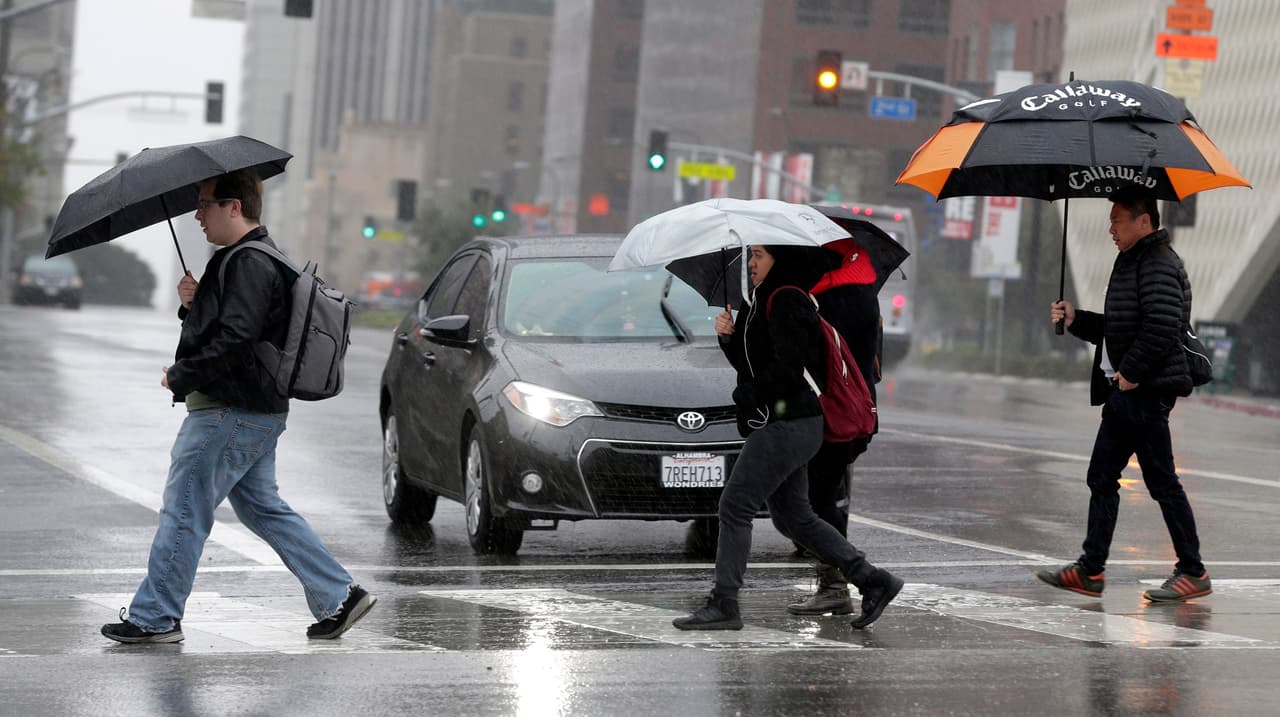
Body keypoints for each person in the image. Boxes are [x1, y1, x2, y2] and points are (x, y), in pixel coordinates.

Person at [101, 169, 376, 643]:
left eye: (206, 203)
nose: (198, 213)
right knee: (262, 509)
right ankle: (339, 595)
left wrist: (181, 376)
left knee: (185, 508)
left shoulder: (248, 262)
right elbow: (238, 329)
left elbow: (236, 339)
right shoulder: (248, 259)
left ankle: (155, 616)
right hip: (255, 409)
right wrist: (193, 304)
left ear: (235, 206)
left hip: (229, 411)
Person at [672, 244, 903, 631]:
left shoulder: (787, 298)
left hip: (791, 423)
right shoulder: (760, 300)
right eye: (750, 256)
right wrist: (729, 339)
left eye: (760, 255)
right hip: (783, 423)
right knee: (794, 516)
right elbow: (753, 364)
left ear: (781, 259)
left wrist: (750, 395)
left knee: (734, 506)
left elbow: (791, 366)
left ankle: (725, 603)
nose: (752, 263)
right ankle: (873, 580)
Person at [1037, 183, 1210, 602]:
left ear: (1144, 220)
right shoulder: (1133, 260)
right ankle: (1090, 570)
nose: (1110, 228)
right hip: (1125, 392)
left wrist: (1131, 373)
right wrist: (1077, 319)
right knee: (1101, 476)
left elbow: (1163, 326)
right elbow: (1121, 327)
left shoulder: (1159, 264)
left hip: (1145, 392)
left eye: (1117, 219)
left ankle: (1193, 571)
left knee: (1162, 482)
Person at [787, 247, 882, 616]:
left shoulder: (836, 297)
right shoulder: (860, 289)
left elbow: (821, 353)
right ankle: (837, 583)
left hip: (838, 412)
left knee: (819, 500)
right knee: (826, 496)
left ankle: (840, 584)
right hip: (854, 412)